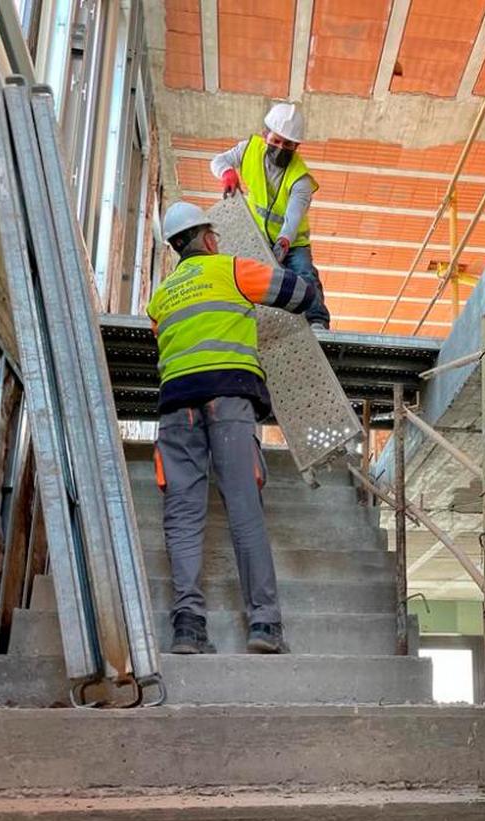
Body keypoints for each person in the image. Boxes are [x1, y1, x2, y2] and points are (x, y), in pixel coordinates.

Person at [147, 201, 317, 655]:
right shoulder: (232, 270)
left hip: (175, 409)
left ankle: (188, 628)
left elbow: (168, 336)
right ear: (205, 238)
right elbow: (300, 295)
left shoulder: (160, 297)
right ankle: (263, 624)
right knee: (244, 509)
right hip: (228, 400)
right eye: (214, 236)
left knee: (182, 518)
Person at [210, 101, 331, 330]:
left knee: (304, 274)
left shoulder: (300, 179)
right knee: (259, 280)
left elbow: (293, 217)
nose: (280, 147)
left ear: (296, 146)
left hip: (293, 241)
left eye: (288, 144)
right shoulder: (248, 150)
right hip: (259, 236)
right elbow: (218, 161)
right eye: (276, 141)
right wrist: (227, 173)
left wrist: (285, 241)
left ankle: (317, 320)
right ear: (266, 134)